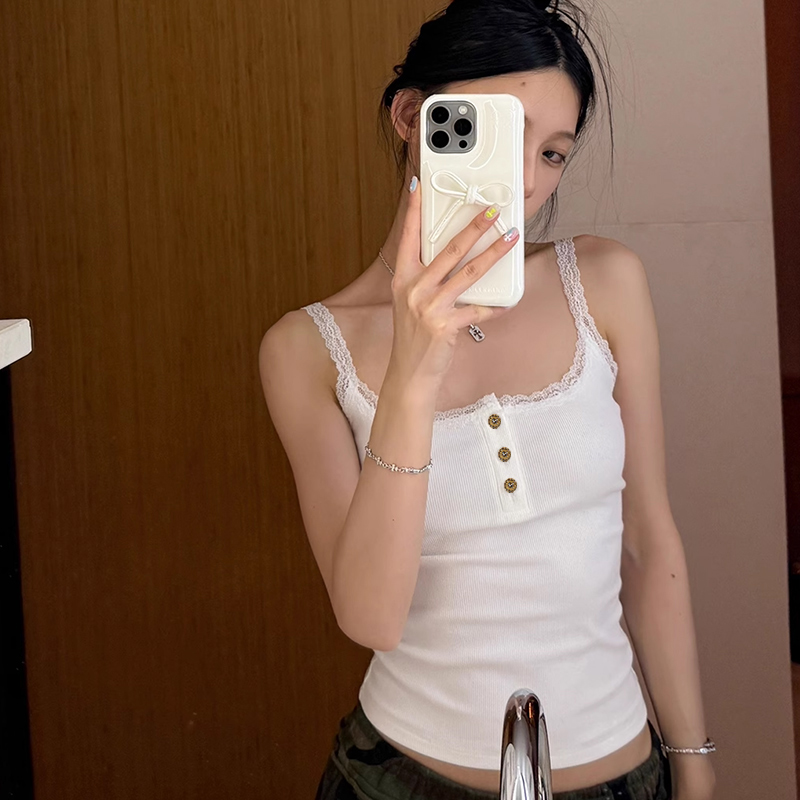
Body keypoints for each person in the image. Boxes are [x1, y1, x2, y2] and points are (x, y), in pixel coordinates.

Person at [259, 1, 717, 798]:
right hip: (398, 779)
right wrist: (413, 369)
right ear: (415, 118)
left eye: (552, 152)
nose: (526, 179)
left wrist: (694, 759)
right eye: (502, 135)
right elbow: (372, 618)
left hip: (623, 774)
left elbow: (649, 543)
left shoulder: (604, 283)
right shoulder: (305, 350)